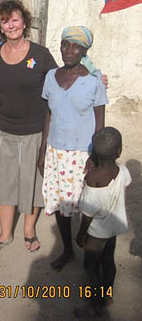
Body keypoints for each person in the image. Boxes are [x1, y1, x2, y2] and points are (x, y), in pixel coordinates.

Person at [0, 0, 58, 254]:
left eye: (14, 20)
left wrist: (93, 78)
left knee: (30, 182)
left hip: (35, 130)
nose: (10, 25)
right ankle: (4, 234)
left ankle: (28, 231)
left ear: (24, 23)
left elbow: (60, 81)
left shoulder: (41, 55)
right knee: (5, 182)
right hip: (4, 128)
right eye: (5, 21)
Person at [38, 26, 108, 271]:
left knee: (86, 206)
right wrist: (42, 150)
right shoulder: (51, 77)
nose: (69, 51)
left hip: (83, 154)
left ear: (85, 51)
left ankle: (89, 250)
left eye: (76, 46)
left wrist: (96, 155)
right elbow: (48, 115)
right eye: (65, 45)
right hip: (56, 152)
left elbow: (100, 121)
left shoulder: (93, 81)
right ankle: (67, 249)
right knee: (61, 205)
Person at [75, 127, 131, 317]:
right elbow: (125, 184)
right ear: (119, 151)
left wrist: (82, 233)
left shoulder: (92, 178)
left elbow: (88, 213)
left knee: (90, 267)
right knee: (109, 263)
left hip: (96, 234)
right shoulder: (123, 171)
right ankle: (107, 295)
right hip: (112, 229)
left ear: (95, 153)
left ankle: (95, 304)